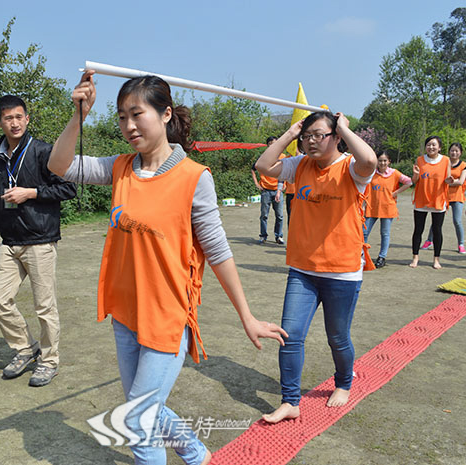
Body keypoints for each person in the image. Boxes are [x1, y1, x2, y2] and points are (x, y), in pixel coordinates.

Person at [47, 71, 287, 465]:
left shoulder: (193, 178)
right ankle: (196, 453)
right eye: (122, 116)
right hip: (126, 314)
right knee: (146, 409)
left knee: (137, 422)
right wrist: (79, 116)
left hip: (167, 317)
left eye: (137, 114)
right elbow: (60, 166)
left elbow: (218, 249)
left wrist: (247, 316)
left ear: (164, 114)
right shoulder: (120, 167)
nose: (128, 125)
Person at [254, 110, 376, 423]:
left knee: (337, 336)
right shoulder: (299, 165)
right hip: (303, 270)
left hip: (342, 271)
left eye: (319, 135)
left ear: (336, 137)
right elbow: (263, 166)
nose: (311, 141)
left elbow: (371, 162)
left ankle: (344, 383)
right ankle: (290, 401)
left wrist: (345, 128)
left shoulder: (351, 168)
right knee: (290, 335)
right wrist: (290, 133)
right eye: (307, 135)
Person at [0, 95, 77, 387]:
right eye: (8, 118)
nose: (14, 123)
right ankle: (25, 348)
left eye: (19, 117)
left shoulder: (43, 152)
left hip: (40, 240)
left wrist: (31, 192)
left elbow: (68, 189)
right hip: (10, 242)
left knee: (44, 306)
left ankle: (49, 362)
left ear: (27, 119)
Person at [363, 151, 412, 268]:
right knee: (363, 233)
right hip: (372, 207)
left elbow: (409, 182)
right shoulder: (371, 173)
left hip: (387, 208)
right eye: (380, 160)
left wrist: (396, 192)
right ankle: (362, 255)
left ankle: (382, 257)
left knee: (385, 233)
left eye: (385, 160)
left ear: (389, 162)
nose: (382, 163)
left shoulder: (394, 173)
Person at [409, 136, 452, 269]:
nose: (431, 147)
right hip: (422, 199)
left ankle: (436, 259)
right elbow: (415, 181)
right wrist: (416, 174)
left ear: (439, 147)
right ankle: (415, 257)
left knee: (437, 230)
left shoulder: (445, 160)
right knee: (418, 230)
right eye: (428, 145)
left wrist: (450, 180)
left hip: (438, 200)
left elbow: (448, 179)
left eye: (434, 145)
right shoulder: (420, 160)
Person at [420, 142, 466, 254]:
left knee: (457, 221)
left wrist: (447, 182)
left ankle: (461, 244)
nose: (454, 153)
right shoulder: (443, 162)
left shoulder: (464, 165)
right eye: (452, 150)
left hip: (456, 196)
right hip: (442, 195)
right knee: (436, 221)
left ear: (460, 153)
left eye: (456, 151)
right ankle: (429, 240)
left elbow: (461, 182)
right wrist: (445, 182)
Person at [251, 136, 286, 244]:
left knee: (279, 215)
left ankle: (279, 236)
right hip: (266, 190)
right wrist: (257, 183)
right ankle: (263, 236)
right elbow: (253, 169)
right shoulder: (263, 157)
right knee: (264, 215)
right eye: (271, 143)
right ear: (268, 145)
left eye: (275, 143)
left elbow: (288, 170)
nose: (273, 145)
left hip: (278, 190)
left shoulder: (283, 156)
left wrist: (285, 184)